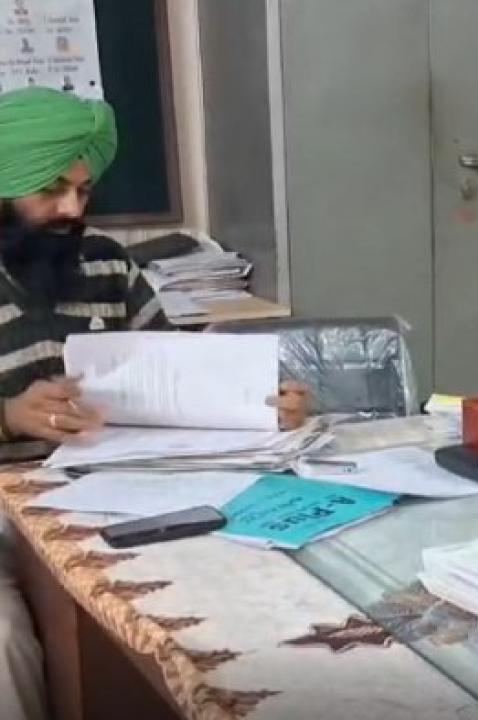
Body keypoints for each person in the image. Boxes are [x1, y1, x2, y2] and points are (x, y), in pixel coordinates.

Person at [0, 87, 307, 719]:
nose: (71, 209)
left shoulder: (105, 264)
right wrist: (6, 418)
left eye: (83, 191)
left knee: (234, 598)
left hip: (114, 488)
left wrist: (264, 397)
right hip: (8, 509)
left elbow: (179, 367)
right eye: (51, 190)